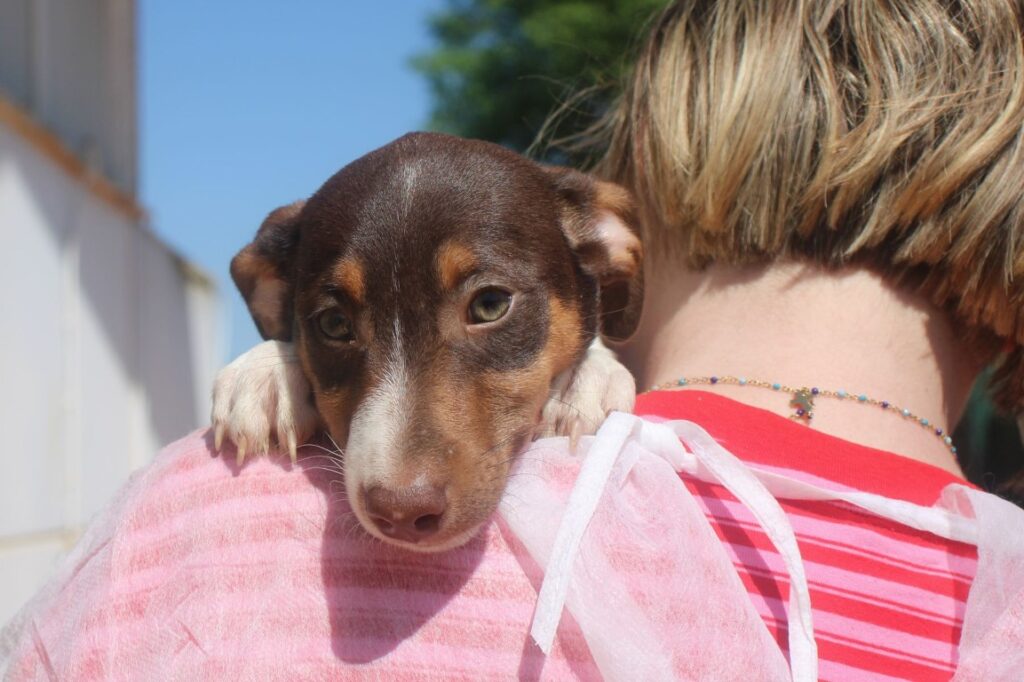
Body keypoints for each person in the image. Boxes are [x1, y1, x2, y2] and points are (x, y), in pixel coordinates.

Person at [3, 1, 1023, 680]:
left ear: (624, 237)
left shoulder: (209, 523)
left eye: (487, 306)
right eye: (329, 326)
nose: (396, 478)